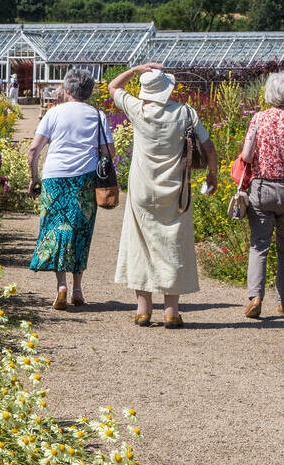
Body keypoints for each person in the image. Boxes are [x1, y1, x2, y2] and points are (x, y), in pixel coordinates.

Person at [108, 64, 218, 328]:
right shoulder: (185, 112)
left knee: (140, 245)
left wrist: (137, 69)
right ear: (167, 90)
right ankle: (171, 311)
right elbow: (209, 148)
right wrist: (212, 175)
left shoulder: (137, 109)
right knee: (173, 245)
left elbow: (113, 87)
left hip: (142, 189)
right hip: (176, 189)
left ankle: (143, 310)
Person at [28, 67, 114, 310]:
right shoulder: (98, 115)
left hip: (55, 177)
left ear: (67, 90)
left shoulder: (53, 113)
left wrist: (34, 177)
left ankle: (61, 286)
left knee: (56, 229)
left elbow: (34, 150)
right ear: (89, 92)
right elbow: (109, 152)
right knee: (80, 231)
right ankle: (77, 289)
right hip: (84, 179)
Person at [239, 71, 284, 319]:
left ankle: (255, 297)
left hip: (262, 188)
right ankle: (282, 301)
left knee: (259, 246)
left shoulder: (259, 118)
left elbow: (247, 156)